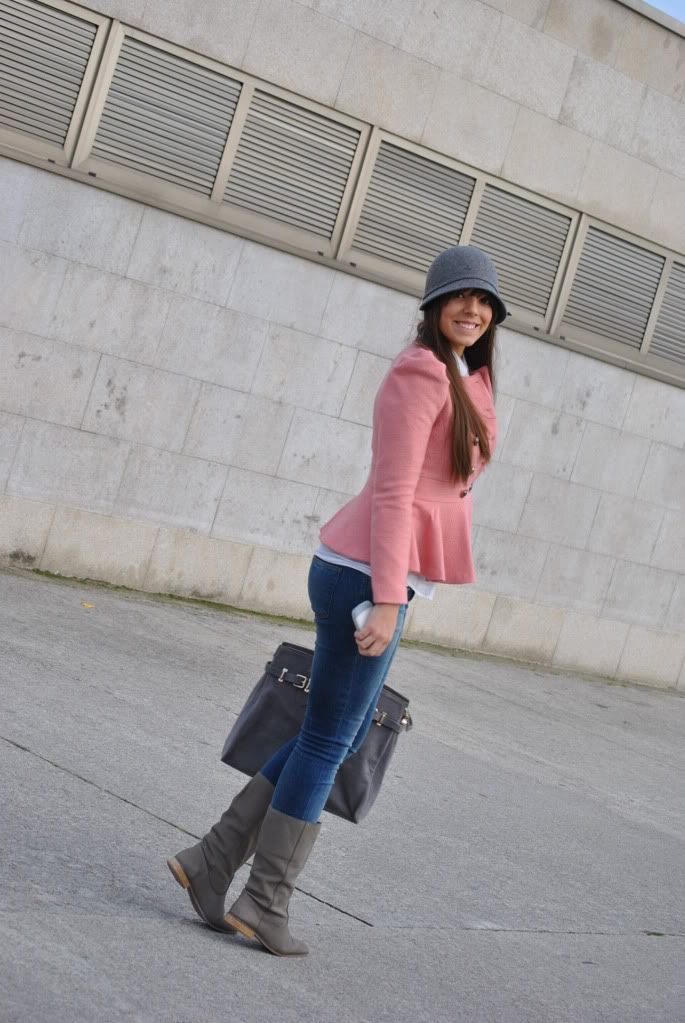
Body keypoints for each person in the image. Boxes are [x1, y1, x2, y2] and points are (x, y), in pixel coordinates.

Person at [167, 245, 506, 957]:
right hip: (364, 574)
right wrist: (386, 597)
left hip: (376, 574)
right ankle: (263, 902)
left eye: (484, 300)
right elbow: (394, 491)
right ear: (434, 304)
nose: (472, 309)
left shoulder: (464, 376)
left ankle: (213, 860)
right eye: (459, 296)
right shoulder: (420, 372)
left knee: (337, 735)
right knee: (328, 739)